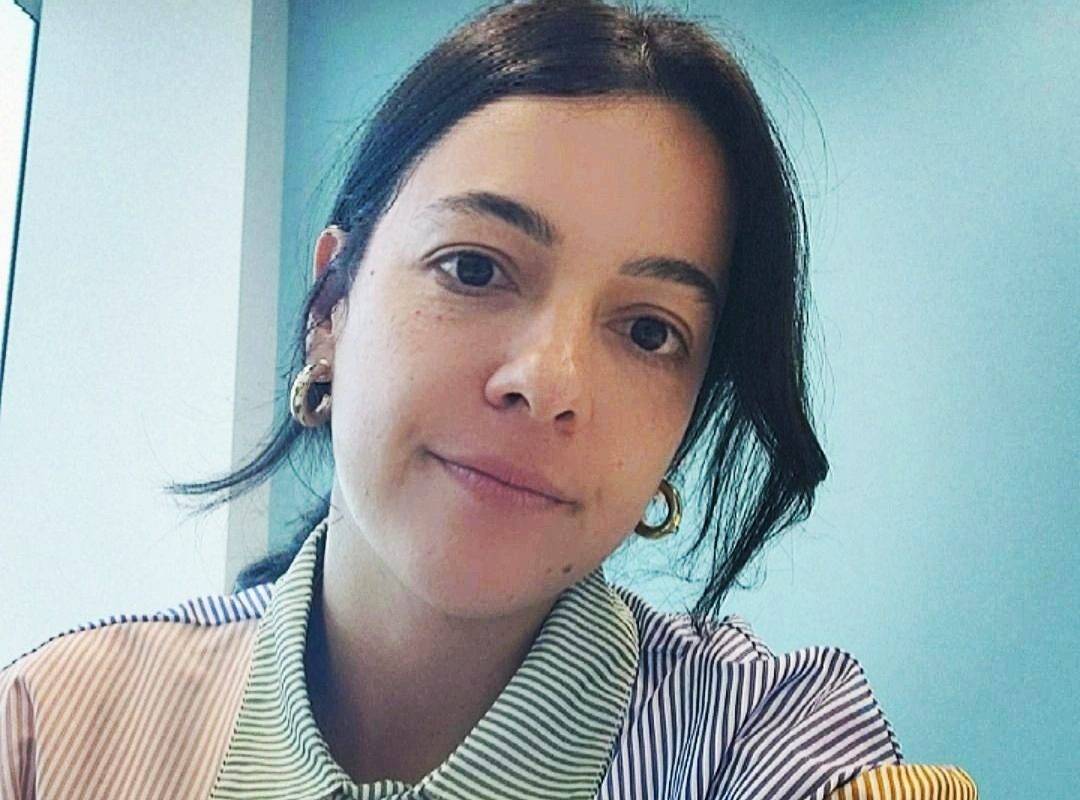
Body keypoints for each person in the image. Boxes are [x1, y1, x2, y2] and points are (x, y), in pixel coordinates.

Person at [0, 1, 978, 797]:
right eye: (473, 267)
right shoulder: (61, 728)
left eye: (649, 331)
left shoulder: (757, 741)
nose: (548, 381)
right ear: (331, 308)